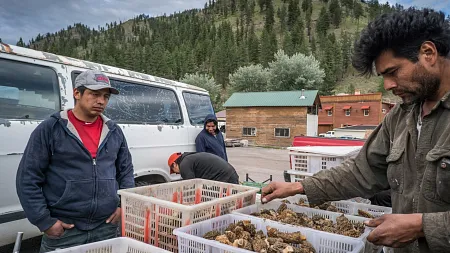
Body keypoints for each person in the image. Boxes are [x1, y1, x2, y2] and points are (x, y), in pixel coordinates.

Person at [261, 8, 450, 253]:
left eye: (393, 72)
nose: (388, 85)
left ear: (428, 53)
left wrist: (423, 226)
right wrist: (299, 187)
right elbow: (362, 171)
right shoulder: (401, 116)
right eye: (383, 76)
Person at [16, 70, 135, 252]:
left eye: (106, 96)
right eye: (94, 94)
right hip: (65, 230)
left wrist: (122, 206)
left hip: (106, 226)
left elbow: (125, 171)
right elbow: (27, 178)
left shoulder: (114, 131)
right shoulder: (51, 128)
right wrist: (45, 221)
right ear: (77, 93)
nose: (101, 101)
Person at [168, 152, 239, 184]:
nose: (178, 173)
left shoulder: (184, 164)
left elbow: (191, 185)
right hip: (229, 174)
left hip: (225, 177)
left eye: (176, 172)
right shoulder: (190, 158)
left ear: (174, 164)